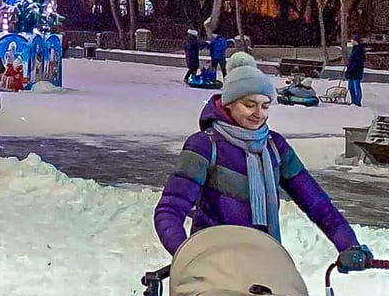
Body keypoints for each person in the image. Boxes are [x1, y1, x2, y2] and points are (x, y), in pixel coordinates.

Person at [154, 52, 372, 272]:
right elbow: (170, 210)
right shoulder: (203, 145)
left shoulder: (274, 146)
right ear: (229, 103)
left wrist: (349, 245)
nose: (259, 114)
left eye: (265, 106)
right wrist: (186, 254)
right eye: (250, 105)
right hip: (214, 269)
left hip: (266, 265)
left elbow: (316, 203)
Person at [346, 33, 365, 107]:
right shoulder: (354, 49)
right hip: (351, 71)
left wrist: (353, 67)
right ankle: (353, 101)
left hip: (356, 71)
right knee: (350, 87)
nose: (351, 41)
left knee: (356, 86)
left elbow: (358, 61)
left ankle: (357, 102)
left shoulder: (359, 50)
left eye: (352, 39)